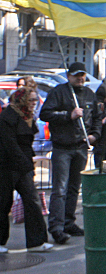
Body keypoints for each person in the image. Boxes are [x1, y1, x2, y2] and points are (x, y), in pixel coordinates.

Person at [39, 62, 103, 244]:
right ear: (69, 76)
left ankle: (69, 222)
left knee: (74, 187)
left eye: (82, 75)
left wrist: (94, 135)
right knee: (59, 189)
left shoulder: (90, 94)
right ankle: (56, 227)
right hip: (63, 147)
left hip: (81, 147)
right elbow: (45, 114)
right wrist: (69, 115)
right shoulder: (59, 92)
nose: (80, 78)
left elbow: (97, 118)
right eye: (76, 75)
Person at [0, 88, 53, 253]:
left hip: (21, 165)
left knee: (32, 200)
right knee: (3, 203)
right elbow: (10, 146)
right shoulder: (7, 118)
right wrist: (26, 165)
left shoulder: (26, 117)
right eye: (30, 100)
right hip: (6, 166)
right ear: (22, 101)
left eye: (34, 100)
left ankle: (37, 241)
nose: (33, 104)